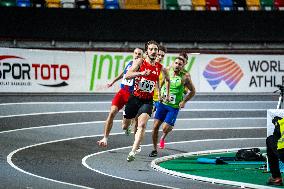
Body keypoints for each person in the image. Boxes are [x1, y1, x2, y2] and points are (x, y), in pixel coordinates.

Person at [122, 40, 170, 162]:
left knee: (142, 125)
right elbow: (127, 75)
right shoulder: (140, 61)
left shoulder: (160, 68)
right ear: (147, 51)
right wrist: (141, 73)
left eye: (156, 49)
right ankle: (127, 126)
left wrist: (163, 93)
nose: (154, 51)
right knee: (125, 124)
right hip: (135, 98)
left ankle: (133, 151)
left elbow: (164, 80)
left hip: (147, 100)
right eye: (151, 49)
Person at [149, 56, 196, 157]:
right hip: (162, 104)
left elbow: (193, 91)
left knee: (165, 128)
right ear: (173, 63)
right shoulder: (167, 70)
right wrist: (159, 96)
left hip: (173, 107)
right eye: (176, 63)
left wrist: (184, 101)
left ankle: (164, 135)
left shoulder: (186, 76)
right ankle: (154, 149)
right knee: (155, 127)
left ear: (183, 66)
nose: (177, 65)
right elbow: (160, 83)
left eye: (180, 64)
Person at [97, 48, 143, 148]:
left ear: (142, 56)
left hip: (132, 96)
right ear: (133, 54)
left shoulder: (142, 67)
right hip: (122, 92)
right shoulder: (130, 62)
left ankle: (129, 123)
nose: (137, 55)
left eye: (139, 54)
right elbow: (123, 73)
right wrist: (113, 81)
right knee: (112, 112)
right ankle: (105, 138)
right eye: (135, 53)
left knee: (124, 126)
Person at [266, 116, 284, 186]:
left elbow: (276, 135)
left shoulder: (281, 122)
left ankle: (276, 177)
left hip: (282, 151)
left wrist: (277, 122)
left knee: (270, 139)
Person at [152, 45, 167, 112]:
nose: (160, 57)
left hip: (158, 99)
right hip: (146, 98)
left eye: (162, 56)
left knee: (158, 121)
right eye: (159, 55)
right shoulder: (146, 65)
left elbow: (164, 84)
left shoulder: (163, 69)